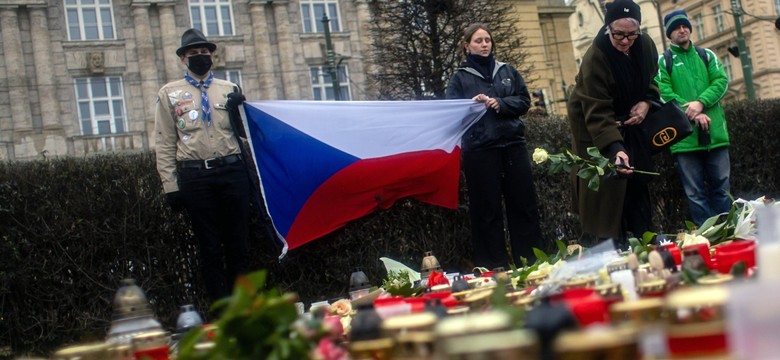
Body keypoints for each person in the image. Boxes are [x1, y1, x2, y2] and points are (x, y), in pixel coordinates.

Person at [154, 28, 250, 303]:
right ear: (183, 59)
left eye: (204, 52)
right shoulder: (169, 94)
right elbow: (163, 141)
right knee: (209, 248)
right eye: (193, 53)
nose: (200, 57)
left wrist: (241, 109)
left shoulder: (229, 89)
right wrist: (170, 186)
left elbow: (245, 134)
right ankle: (220, 312)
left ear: (213, 56)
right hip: (196, 176)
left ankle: (243, 309)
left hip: (232, 170)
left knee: (239, 245)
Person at [445, 23, 543, 270]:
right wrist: (472, 103)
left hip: (513, 146)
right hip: (480, 150)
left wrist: (500, 103)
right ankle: (492, 267)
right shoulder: (460, 77)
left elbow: (523, 101)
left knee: (524, 206)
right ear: (467, 46)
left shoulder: (507, 71)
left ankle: (531, 262)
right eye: (478, 41)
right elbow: (452, 111)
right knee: (486, 212)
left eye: (487, 40)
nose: (484, 44)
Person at [566, 0, 660, 246]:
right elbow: (596, 109)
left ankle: (644, 237)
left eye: (631, 35)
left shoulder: (646, 45)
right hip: (594, 125)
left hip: (630, 121)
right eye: (618, 34)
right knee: (607, 187)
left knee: (636, 182)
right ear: (608, 29)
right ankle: (608, 244)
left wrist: (647, 102)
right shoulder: (595, 57)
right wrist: (616, 148)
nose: (625, 41)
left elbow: (652, 79)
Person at [656, 10, 731, 226]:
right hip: (685, 140)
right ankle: (708, 234)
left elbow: (721, 82)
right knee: (694, 192)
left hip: (715, 134)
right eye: (677, 27)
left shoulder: (707, 55)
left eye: (685, 26)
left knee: (722, 185)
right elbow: (663, 92)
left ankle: (728, 229)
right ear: (669, 34)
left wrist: (700, 102)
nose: (682, 30)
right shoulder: (664, 61)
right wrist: (693, 111)